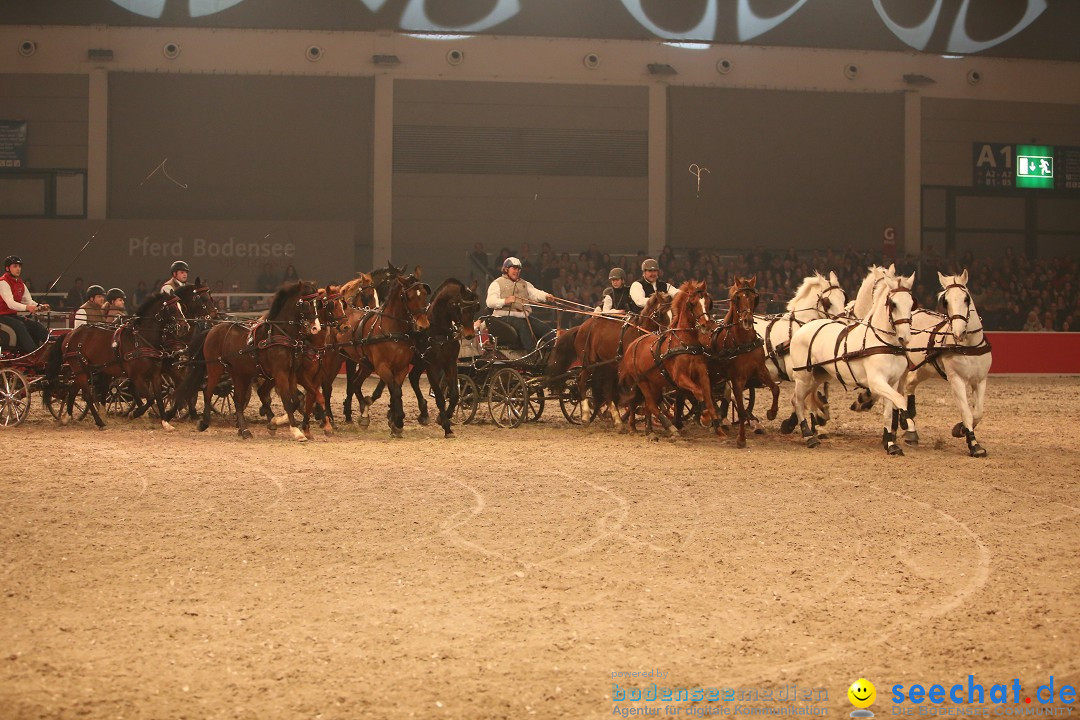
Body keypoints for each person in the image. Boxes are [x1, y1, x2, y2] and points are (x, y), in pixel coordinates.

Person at [486, 256, 555, 349]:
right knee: (523, 326)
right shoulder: (497, 283)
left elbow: (535, 293)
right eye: (514, 268)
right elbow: (490, 302)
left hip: (523, 316)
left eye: (518, 269)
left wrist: (546, 296)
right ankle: (531, 354)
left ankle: (549, 353)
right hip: (503, 317)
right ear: (506, 269)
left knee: (545, 329)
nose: (517, 271)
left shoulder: (524, 284)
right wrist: (505, 301)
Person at [0, 255, 51, 354]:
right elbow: (10, 304)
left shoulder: (20, 284)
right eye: (15, 266)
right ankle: (33, 353)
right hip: (1, 316)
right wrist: (28, 308)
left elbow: (29, 301)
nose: (18, 269)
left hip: (11, 316)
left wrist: (40, 307)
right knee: (20, 325)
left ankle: (50, 344)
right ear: (7, 268)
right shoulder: (3, 283)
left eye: (19, 266)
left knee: (35, 325)